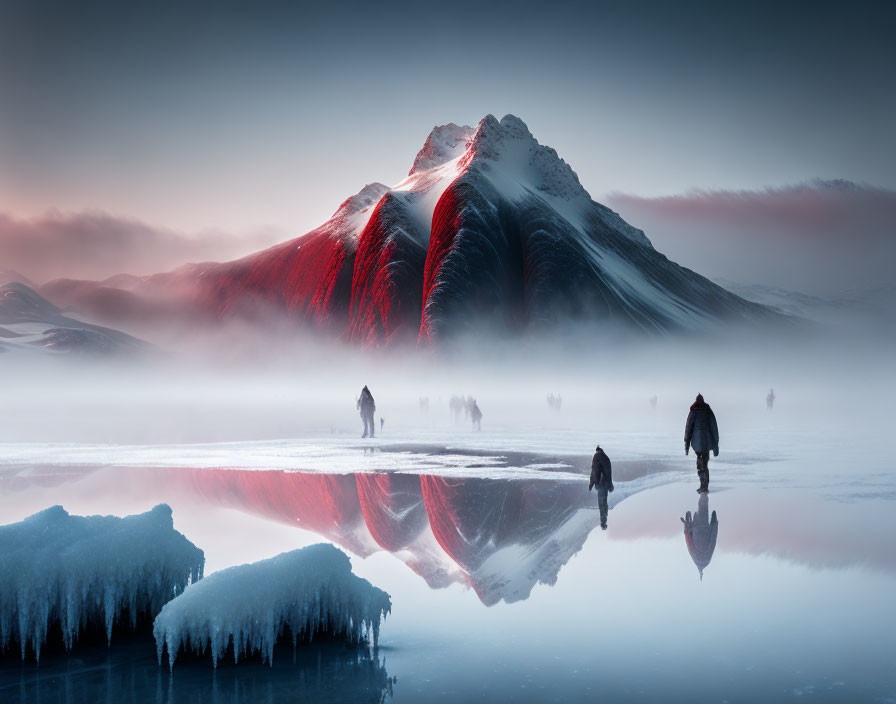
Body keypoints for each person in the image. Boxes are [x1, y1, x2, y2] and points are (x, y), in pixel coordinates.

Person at [684, 393, 719, 493]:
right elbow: (714, 428)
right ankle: (704, 486)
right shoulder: (708, 411)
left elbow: (688, 429)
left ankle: (703, 486)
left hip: (697, 444)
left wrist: (687, 444)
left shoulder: (693, 411)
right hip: (706, 443)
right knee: (705, 464)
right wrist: (716, 445)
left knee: (700, 465)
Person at [681, 493, 719, 580]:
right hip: (696, 529)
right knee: (702, 505)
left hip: (704, 529)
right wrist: (687, 529)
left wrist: (714, 523)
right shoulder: (696, 559)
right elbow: (689, 543)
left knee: (703, 505)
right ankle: (703, 488)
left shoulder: (707, 560)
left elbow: (713, 540)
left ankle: (704, 490)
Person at [589, 445, 614, 529]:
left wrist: (591, 483)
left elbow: (594, 471)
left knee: (601, 504)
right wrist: (610, 485)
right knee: (604, 501)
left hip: (600, 484)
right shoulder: (606, 458)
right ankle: (605, 517)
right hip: (606, 484)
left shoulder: (596, 457)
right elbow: (609, 472)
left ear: (597, 451)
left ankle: (603, 523)